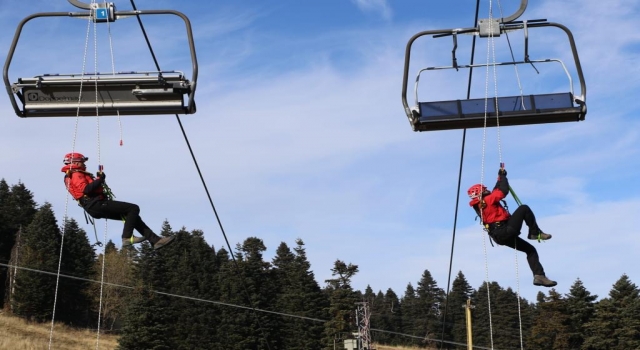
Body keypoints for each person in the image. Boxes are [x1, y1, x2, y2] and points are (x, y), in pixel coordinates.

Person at [61, 152, 175, 250]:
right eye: (82, 161)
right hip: (96, 204)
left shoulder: (72, 175)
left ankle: (155, 240)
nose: (84, 164)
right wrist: (100, 180)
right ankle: (126, 237)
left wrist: (98, 180)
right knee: (133, 208)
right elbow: (86, 189)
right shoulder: (76, 174)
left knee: (133, 216)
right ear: (75, 163)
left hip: (93, 206)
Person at [467, 168, 557, 287]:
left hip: (500, 236)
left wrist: (500, 177)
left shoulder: (481, 204)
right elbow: (503, 190)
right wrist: (503, 178)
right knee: (524, 208)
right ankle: (534, 233)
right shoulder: (488, 200)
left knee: (530, 250)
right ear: (481, 192)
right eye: (485, 190)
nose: (488, 190)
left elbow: (496, 190)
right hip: (504, 230)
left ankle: (539, 276)